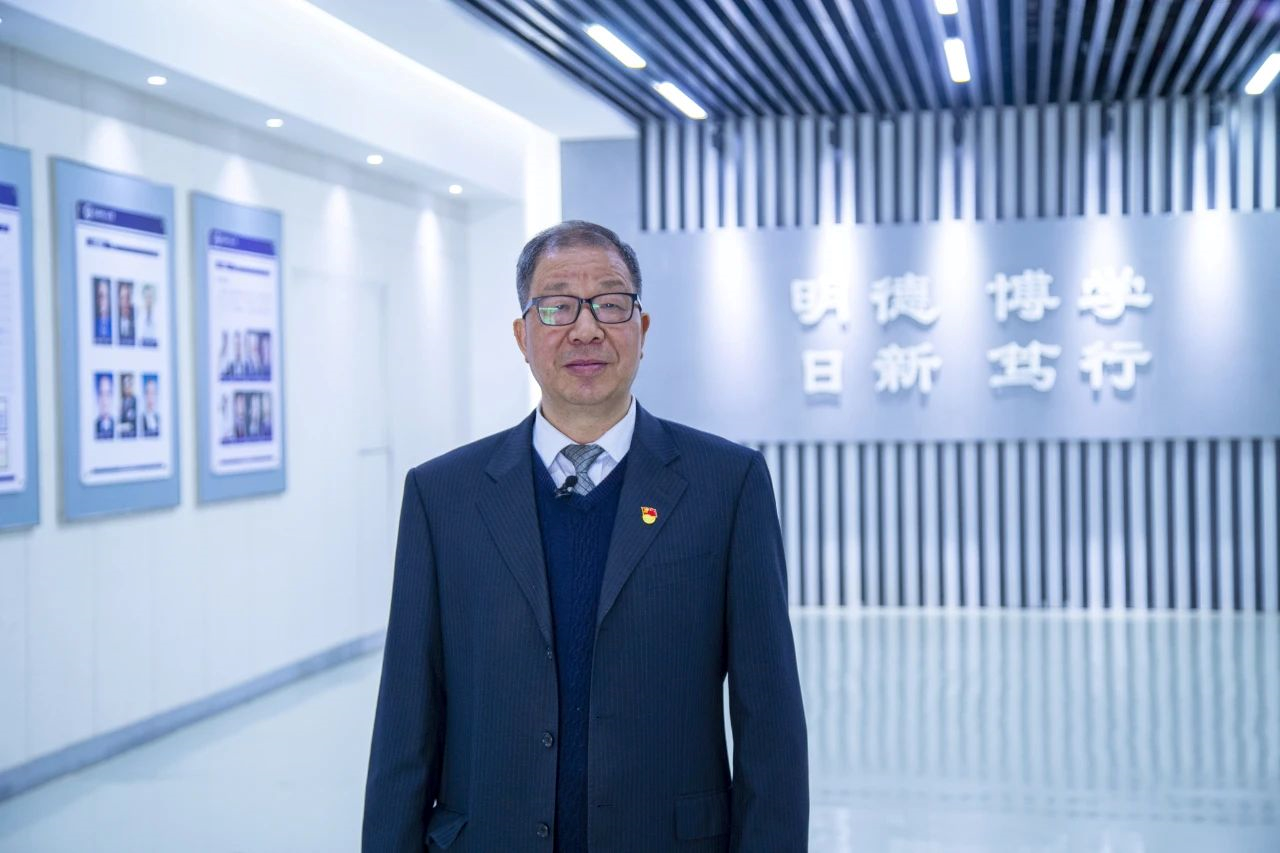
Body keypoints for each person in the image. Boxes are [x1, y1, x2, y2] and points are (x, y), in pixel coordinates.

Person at [363, 221, 808, 852]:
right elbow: (404, 723)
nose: (586, 328)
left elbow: (771, 723)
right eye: (557, 306)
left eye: (610, 303)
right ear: (522, 335)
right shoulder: (443, 496)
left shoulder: (727, 486)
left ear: (642, 329)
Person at [94, 372, 114, 439]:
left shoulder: (116, 425)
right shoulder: (93, 426)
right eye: (101, 394)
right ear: (97, 397)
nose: (104, 400)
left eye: (107, 394)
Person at [92, 278, 112, 344]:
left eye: (106, 296)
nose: (102, 301)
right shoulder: (93, 325)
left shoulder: (113, 325)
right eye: (100, 296)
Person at [118, 372, 137, 438]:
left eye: (129, 384)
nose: (127, 387)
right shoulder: (121, 400)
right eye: (125, 384)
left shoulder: (135, 401)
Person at [117, 281, 135, 345]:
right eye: (122, 298)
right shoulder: (115, 323)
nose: (125, 302)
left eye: (127, 298)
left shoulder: (135, 323)